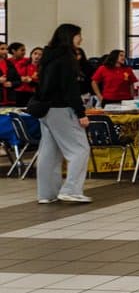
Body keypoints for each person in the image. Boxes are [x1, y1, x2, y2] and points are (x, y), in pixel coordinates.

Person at [35, 23, 92, 204]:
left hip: (44, 109)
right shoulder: (66, 59)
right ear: (69, 37)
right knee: (80, 150)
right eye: (78, 35)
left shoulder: (48, 57)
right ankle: (71, 189)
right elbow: (70, 89)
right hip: (61, 109)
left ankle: (46, 194)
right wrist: (81, 112)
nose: (81, 39)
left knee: (49, 153)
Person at [0, 41, 21, 106]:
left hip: (10, 101)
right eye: (2, 49)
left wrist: (12, 84)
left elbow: (19, 81)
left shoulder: (10, 63)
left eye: (6, 49)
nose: (5, 51)